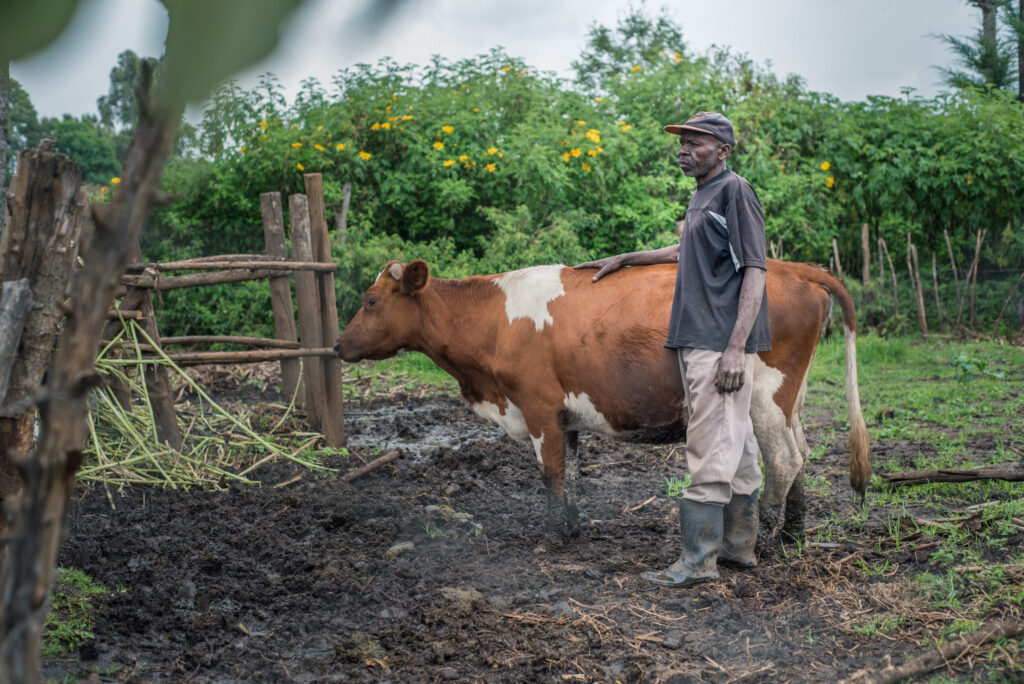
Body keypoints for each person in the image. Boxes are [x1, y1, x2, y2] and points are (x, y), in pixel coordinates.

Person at [576, 111, 771, 588]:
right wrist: (626, 258)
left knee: (707, 444)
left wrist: (734, 347)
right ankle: (739, 550)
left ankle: (697, 562)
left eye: (695, 143)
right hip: (699, 337)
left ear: (723, 150)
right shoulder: (702, 194)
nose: (684, 150)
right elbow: (684, 251)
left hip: (717, 340)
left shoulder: (734, 190)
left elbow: (755, 268)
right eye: (682, 143)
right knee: (739, 443)